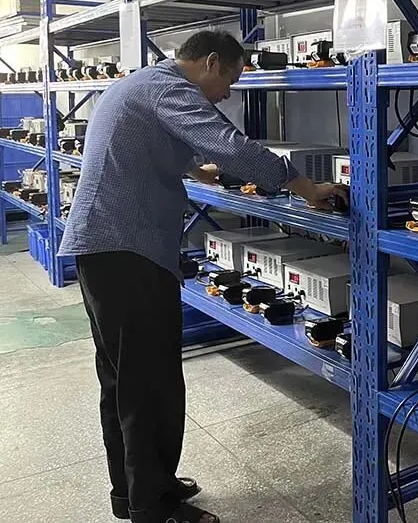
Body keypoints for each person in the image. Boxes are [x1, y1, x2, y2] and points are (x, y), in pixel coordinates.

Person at [58, 30, 347, 523]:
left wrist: (196, 170)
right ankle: (155, 506)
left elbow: (154, 141)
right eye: (229, 80)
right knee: (151, 383)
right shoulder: (169, 87)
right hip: (128, 250)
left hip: (105, 249)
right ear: (211, 62)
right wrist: (303, 186)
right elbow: (228, 142)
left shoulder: (144, 84)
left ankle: (133, 491)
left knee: (124, 379)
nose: (227, 94)